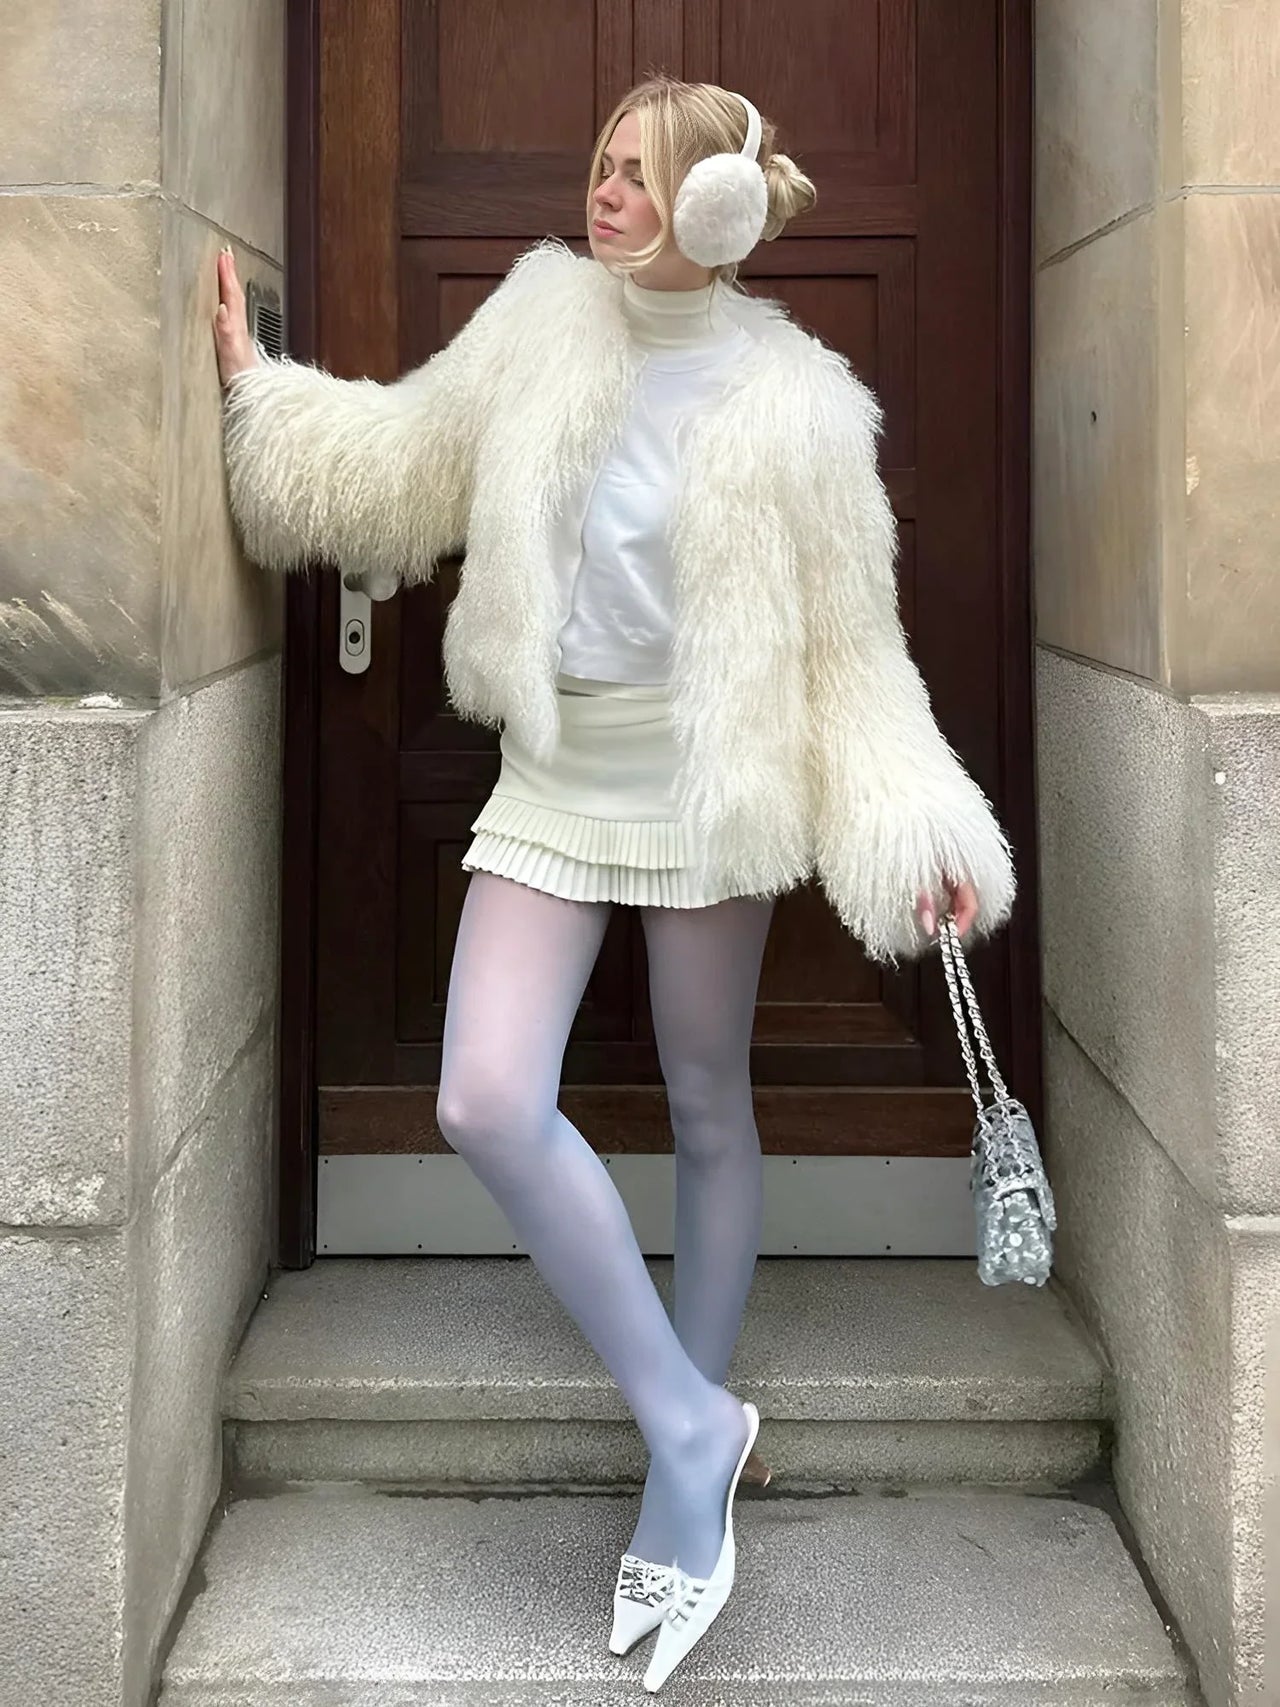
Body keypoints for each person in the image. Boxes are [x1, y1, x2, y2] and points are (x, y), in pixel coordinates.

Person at [213, 73, 1015, 1693]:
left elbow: (858, 655)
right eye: (601, 169)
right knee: (485, 1098)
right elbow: (410, 456)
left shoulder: (802, 399)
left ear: (716, 204)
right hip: (558, 776)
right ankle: (695, 1420)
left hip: (712, 778)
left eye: (641, 177)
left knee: (710, 1097)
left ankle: (680, 1478)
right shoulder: (537, 320)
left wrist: (920, 829)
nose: (607, 196)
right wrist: (258, 393)